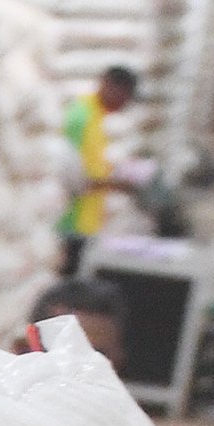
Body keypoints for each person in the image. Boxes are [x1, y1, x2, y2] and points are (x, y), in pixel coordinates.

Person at [59, 63, 139, 277]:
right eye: (123, 96)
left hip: (86, 220)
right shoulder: (80, 116)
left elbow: (88, 161)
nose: (123, 104)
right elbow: (68, 174)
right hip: (70, 220)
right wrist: (116, 184)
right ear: (107, 84)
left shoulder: (95, 116)